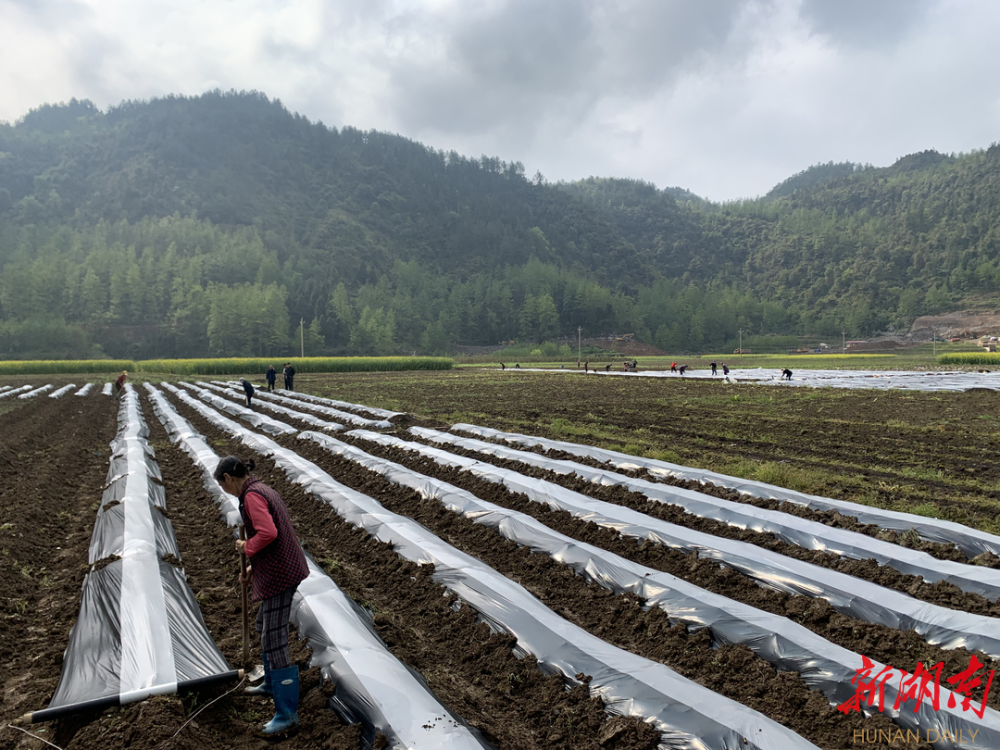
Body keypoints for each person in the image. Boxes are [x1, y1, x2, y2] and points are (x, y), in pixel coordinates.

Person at [217, 456, 308, 736]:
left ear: (228, 479)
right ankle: (270, 682)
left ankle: (286, 714)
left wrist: (246, 547)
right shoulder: (261, 490)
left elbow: (268, 533)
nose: (224, 490)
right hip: (278, 568)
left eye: (222, 485)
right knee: (262, 625)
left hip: (282, 574)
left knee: (273, 637)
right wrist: (251, 568)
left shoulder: (253, 496)